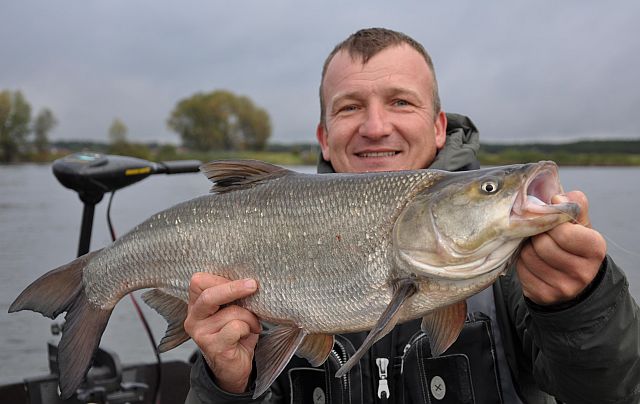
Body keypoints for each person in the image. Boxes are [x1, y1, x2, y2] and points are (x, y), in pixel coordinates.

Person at [184, 28, 640, 403]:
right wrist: (227, 384)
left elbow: (613, 393)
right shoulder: (249, 250)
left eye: (401, 102)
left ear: (439, 127)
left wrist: (582, 305)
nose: (375, 127)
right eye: (350, 107)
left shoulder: (520, 260)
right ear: (324, 137)